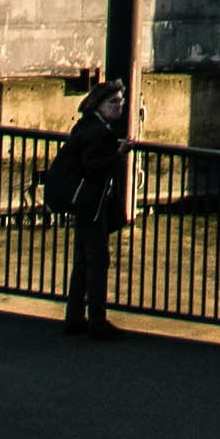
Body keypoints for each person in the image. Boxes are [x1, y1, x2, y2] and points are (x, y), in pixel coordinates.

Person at [43, 80, 127, 337]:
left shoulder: (86, 125)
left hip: (82, 202)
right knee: (98, 259)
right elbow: (94, 167)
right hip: (91, 203)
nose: (119, 106)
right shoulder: (98, 132)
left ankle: (75, 316)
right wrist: (118, 153)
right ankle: (97, 321)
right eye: (113, 102)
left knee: (83, 259)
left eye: (121, 101)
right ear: (99, 105)